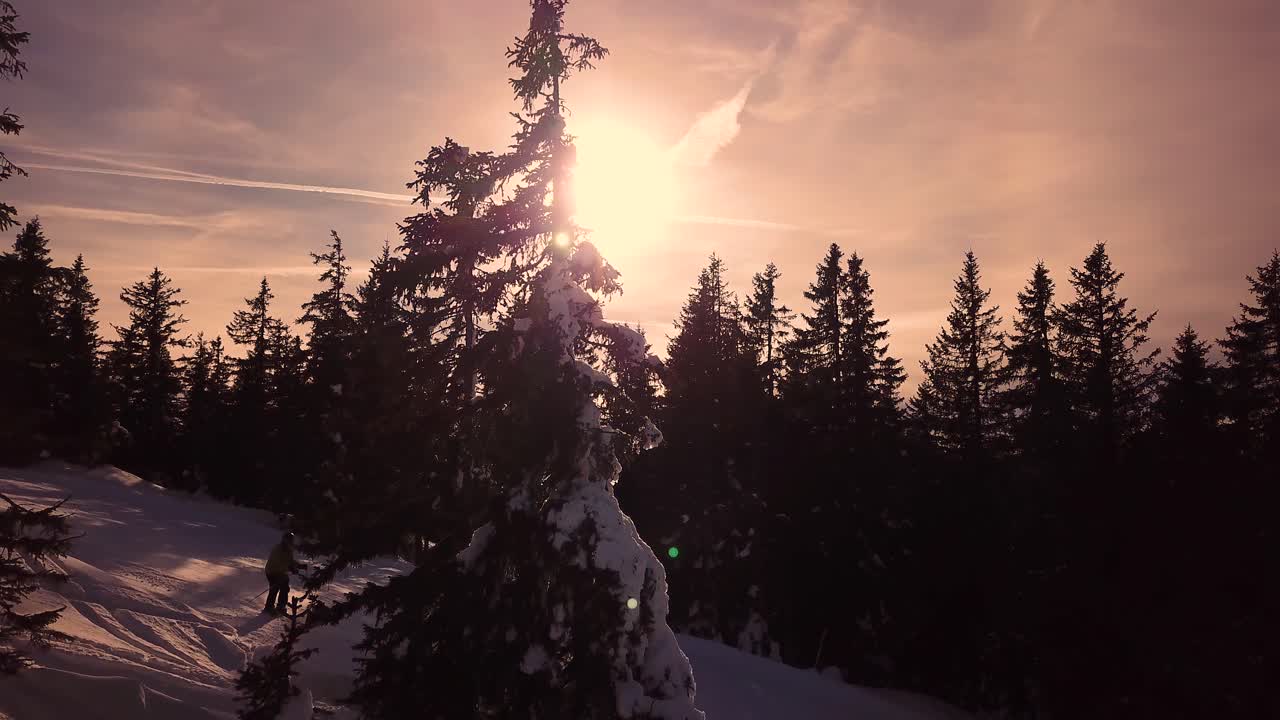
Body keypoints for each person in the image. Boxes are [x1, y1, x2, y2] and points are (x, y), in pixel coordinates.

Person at [263, 531, 301, 615]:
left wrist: (297, 566)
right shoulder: (278, 549)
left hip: (281, 572)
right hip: (272, 571)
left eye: (291, 540)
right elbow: (278, 563)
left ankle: (281, 606)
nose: (290, 542)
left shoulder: (289, 549)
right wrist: (291, 569)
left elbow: (289, 560)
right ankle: (269, 607)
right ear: (284, 540)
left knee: (284, 587)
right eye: (288, 540)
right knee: (275, 588)